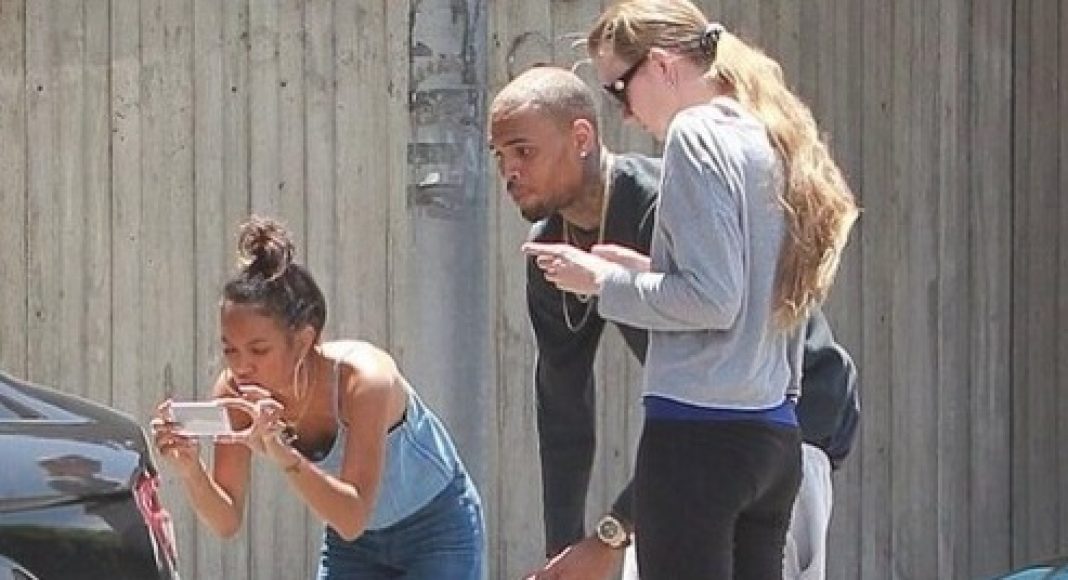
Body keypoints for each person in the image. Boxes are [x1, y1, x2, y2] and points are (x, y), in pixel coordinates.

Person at [522, 0, 859, 576]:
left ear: (661, 65)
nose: (626, 114)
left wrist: (602, 281)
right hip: (773, 436)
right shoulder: (767, 131)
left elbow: (713, 299)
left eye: (620, 89)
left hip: (698, 436)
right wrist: (642, 272)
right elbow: (764, 294)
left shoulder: (694, 133)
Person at [151, 216, 485, 580]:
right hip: (354, 544)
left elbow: (353, 515)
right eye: (230, 350)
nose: (241, 367)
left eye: (259, 350)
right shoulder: (234, 393)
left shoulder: (364, 381)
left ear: (304, 340)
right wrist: (190, 469)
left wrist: (281, 452)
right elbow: (226, 520)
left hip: (437, 528)